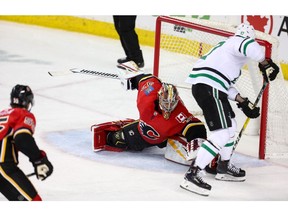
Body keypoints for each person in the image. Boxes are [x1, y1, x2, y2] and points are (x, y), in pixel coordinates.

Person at [181, 23, 280, 196]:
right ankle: (193, 174)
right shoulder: (237, 41)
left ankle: (223, 167)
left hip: (212, 87)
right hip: (209, 88)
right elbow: (250, 47)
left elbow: (224, 84)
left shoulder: (227, 54)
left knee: (231, 126)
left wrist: (242, 102)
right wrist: (266, 63)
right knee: (221, 133)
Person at [93, 61, 207, 160]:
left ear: (177, 100)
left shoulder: (179, 113)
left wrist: (197, 144)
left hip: (163, 139)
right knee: (116, 139)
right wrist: (130, 74)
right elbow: (142, 78)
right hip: (140, 135)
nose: (168, 107)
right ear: (159, 97)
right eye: (165, 103)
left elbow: (196, 127)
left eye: (171, 103)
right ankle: (126, 126)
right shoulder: (147, 99)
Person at [0, 84, 53, 201]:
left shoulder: (2, 113)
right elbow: (22, 138)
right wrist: (38, 160)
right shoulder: (21, 114)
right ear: (27, 101)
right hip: (3, 166)